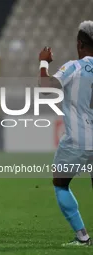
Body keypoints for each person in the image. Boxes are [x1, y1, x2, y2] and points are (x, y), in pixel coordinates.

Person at [38, 20, 93, 246]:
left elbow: (45, 86)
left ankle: (82, 236)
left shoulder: (74, 67)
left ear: (79, 43)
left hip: (79, 139)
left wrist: (43, 62)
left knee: (60, 183)